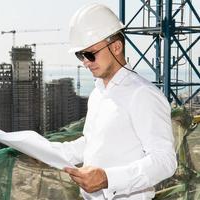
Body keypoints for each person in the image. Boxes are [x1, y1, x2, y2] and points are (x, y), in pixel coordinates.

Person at [51, 3, 177, 200]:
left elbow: (165, 161)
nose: (85, 62)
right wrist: (44, 149)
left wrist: (108, 179)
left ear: (116, 47)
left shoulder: (142, 94)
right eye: (80, 55)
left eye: (90, 54)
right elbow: (91, 143)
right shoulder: (98, 93)